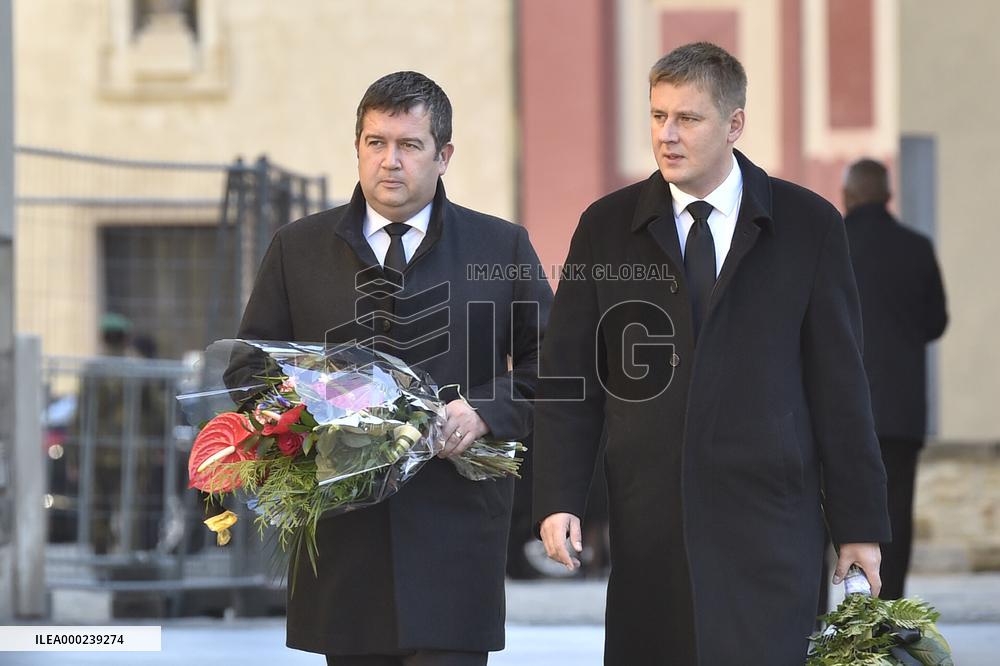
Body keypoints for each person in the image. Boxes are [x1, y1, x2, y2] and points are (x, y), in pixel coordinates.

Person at [532, 42, 891, 664]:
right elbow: (571, 378)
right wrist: (558, 496)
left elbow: (840, 387)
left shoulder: (809, 226)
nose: (666, 136)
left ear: (735, 124)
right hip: (650, 528)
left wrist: (859, 526)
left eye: (688, 119)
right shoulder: (605, 226)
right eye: (657, 116)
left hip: (771, 524)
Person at [235, 71, 552, 665]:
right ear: (356, 146)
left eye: (409, 145)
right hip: (342, 540)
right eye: (376, 142)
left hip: (455, 534)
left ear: (443, 155)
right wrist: (310, 418)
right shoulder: (296, 247)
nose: (390, 161)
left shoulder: (499, 247)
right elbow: (251, 369)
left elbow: (555, 361)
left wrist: (486, 410)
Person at [843, 158, 948, 599]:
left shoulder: (833, 244)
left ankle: (828, 618)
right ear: (888, 197)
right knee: (895, 515)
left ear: (847, 197)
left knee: (835, 511)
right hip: (901, 412)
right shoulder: (916, 247)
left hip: (842, 410)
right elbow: (936, 323)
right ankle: (888, 616)